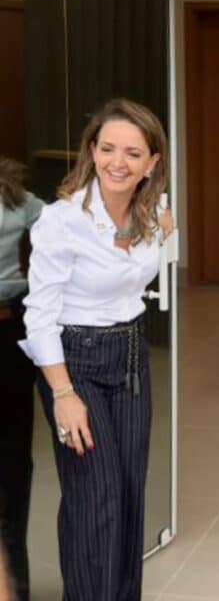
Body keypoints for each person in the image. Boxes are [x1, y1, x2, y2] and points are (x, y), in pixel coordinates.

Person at [19, 98, 174, 601]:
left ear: (152, 162)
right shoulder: (63, 221)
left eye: (133, 153)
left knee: (128, 493)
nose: (117, 163)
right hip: (75, 363)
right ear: (92, 151)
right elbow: (39, 315)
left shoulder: (155, 209)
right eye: (107, 149)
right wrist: (63, 394)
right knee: (96, 499)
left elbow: (157, 255)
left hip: (131, 358)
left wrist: (166, 232)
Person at [0, 158, 44, 601]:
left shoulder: (15, 197)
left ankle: (16, 587)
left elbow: (66, 231)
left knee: (13, 462)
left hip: (7, 332)